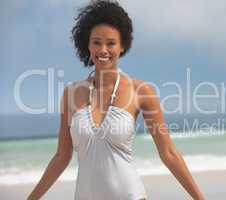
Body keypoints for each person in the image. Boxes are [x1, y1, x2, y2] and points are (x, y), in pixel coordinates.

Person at [27, 0, 205, 199]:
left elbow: (169, 153)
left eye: (111, 43)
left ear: (122, 47)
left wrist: (200, 198)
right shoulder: (71, 94)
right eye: (96, 42)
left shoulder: (141, 91)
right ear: (88, 44)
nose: (103, 50)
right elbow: (62, 156)